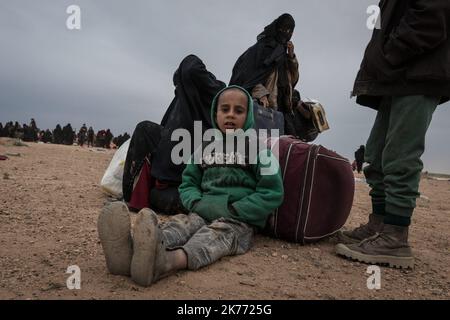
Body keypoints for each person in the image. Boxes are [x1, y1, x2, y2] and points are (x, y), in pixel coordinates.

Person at [98, 86, 284, 286]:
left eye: (238, 111)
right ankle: (130, 252)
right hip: (202, 211)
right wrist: (195, 202)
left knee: (211, 237)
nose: (231, 115)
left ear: (249, 116)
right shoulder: (204, 148)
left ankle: (166, 263)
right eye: (225, 109)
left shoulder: (260, 151)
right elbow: (189, 182)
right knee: (179, 225)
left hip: (238, 220)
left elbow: (272, 192)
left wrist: (236, 209)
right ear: (215, 114)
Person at [336, 0, 450, 269]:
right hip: (398, 76)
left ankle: (396, 237)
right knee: (376, 156)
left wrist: (391, 53)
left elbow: (434, 15)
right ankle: (380, 225)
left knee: (400, 155)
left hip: (417, 72)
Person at [122, 55, 225, 213]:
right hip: (170, 189)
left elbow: (191, 67)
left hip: (193, 189)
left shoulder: (218, 102)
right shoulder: (188, 104)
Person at [230, 13, 299, 134]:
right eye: (284, 28)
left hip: (283, 111)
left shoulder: (283, 52)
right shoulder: (262, 48)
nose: (287, 33)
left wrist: (291, 57)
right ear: (277, 27)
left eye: (290, 30)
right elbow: (248, 77)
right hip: (265, 109)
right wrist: (261, 93)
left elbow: (292, 80)